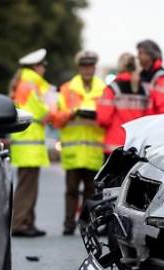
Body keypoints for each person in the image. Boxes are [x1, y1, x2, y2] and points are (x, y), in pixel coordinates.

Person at [52, 50, 107, 235]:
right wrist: (71, 113)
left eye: (90, 66)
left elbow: (109, 117)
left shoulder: (105, 89)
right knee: (71, 190)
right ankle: (68, 224)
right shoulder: (67, 89)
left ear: (94, 67)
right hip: (73, 149)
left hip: (94, 149)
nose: (87, 69)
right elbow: (57, 119)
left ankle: (87, 225)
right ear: (79, 67)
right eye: (84, 66)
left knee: (92, 192)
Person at [9, 48, 53, 237]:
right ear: (36, 66)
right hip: (29, 143)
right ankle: (20, 223)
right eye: (43, 65)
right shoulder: (31, 83)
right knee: (27, 187)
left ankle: (28, 222)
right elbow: (44, 112)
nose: (44, 69)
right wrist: (55, 110)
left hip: (26, 142)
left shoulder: (25, 81)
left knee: (28, 186)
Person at [97, 52, 149, 157]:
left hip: (115, 147)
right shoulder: (145, 90)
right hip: (137, 147)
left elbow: (103, 119)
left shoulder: (113, 88)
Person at [136, 39, 164, 115]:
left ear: (150, 55)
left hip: (154, 125)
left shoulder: (162, 79)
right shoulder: (142, 76)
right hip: (144, 125)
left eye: (140, 53)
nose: (137, 57)